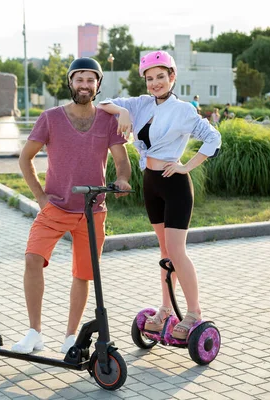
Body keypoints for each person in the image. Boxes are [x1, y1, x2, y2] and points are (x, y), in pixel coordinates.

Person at [98, 50, 221, 340]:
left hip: (175, 185)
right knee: (165, 254)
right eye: (150, 78)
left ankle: (193, 313)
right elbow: (102, 103)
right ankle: (166, 308)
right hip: (151, 183)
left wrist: (185, 166)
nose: (155, 83)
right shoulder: (140, 104)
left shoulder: (184, 110)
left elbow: (213, 137)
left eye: (160, 77)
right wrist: (124, 112)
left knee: (177, 252)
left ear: (172, 77)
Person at [13, 58, 132, 354]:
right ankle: (34, 332)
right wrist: (40, 197)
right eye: (79, 79)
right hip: (56, 208)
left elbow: (121, 161)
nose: (85, 85)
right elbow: (25, 158)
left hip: (93, 211)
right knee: (32, 259)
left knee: (83, 274)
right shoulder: (51, 117)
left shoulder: (108, 121)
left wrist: (123, 180)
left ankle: (70, 337)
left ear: (98, 85)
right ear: (70, 82)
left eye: (91, 80)